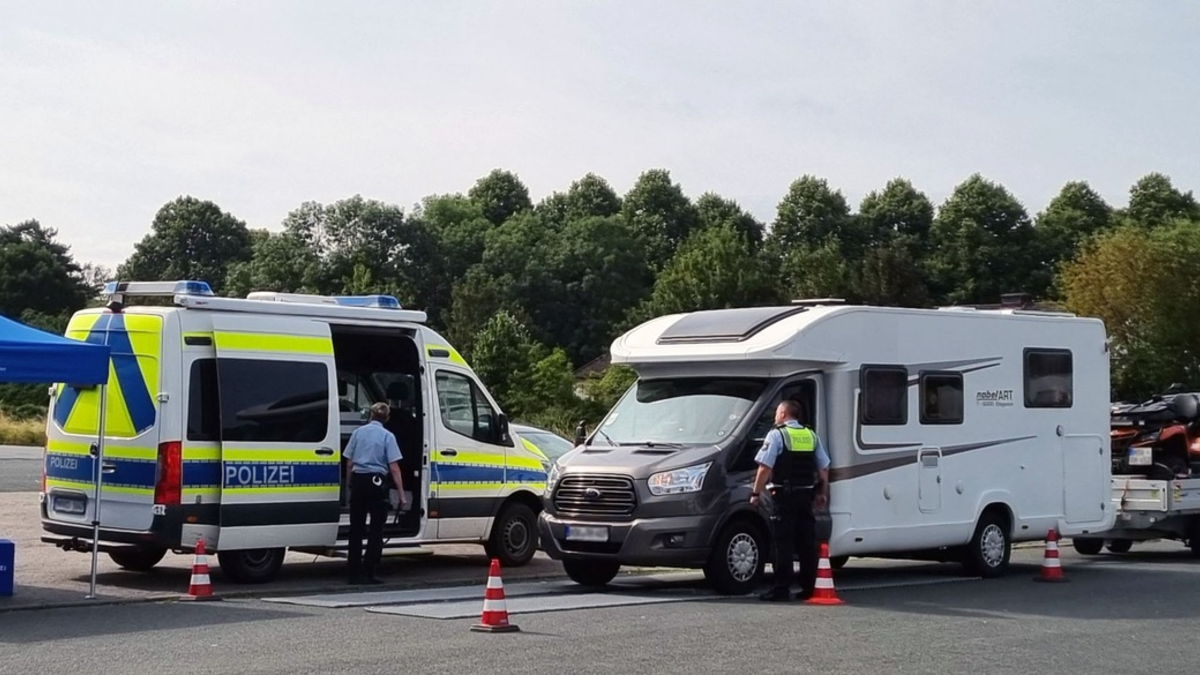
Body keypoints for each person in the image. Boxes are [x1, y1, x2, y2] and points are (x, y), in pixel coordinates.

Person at [749, 399, 830, 601]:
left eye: (777, 412)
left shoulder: (777, 435)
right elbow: (824, 468)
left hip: (783, 496)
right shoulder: (811, 435)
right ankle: (809, 588)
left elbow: (764, 467)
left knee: (783, 543)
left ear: (784, 414)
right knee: (806, 542)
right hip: (806, 496)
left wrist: (756, 493)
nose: (775, 416)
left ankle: (781, 589)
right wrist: (822, 493)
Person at [343, 401, 409, 585]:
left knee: (356, 529)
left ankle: (353, 573)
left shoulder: (358, 433)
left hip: (358, 481)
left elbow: (349, 462)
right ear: (386, 418)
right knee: (376, 530)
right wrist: (401, 494)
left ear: (371, 415)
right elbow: (394, 467)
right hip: (376, 483)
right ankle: (369, 572)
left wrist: (350, 484)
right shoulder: (388, 436)